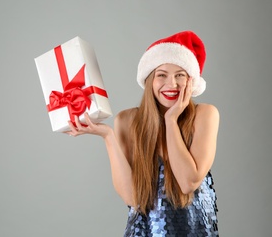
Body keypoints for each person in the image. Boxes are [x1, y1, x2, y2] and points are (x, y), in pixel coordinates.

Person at [67, 31, 219, 236]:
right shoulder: (127, 121)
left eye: (180, 75)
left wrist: (171, 120)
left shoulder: (205, 114)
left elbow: (187, 182)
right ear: (149, 80)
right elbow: (133, 199)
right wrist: (108, 136)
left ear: (190, 81)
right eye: (161, 75)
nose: (171, 84)